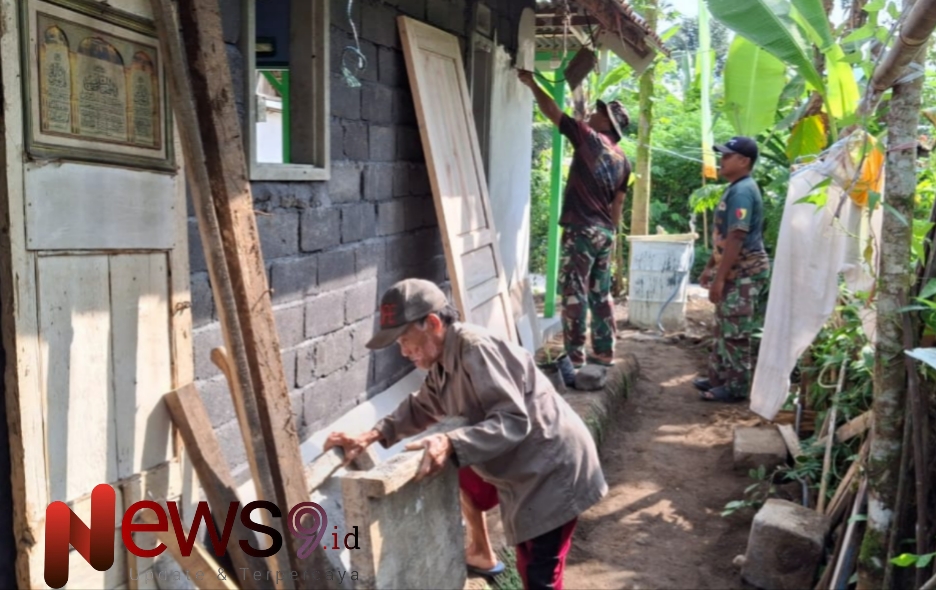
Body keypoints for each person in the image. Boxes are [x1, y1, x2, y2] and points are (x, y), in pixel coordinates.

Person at [325, 278, 607, 590]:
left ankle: (489, 555)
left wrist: (449, 440)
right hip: (529, 468)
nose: (404, 352)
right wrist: (372, 435)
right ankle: (482, 552)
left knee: (540, 574)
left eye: (405, 340)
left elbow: (512, 420)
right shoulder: (444, 359)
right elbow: (421, 406)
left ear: (433, 323)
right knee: (527, 560)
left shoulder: (475, 349)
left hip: (553, 468)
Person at [517, 69, 631, 369]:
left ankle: (575, 356)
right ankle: (604, 352)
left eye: (599, 112)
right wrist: (610, 234)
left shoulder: (589, 139)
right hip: (605, 232)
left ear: (608, 122)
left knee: (574, 292)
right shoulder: (624, 160)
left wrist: (532, 84)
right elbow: (618, 203)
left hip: (581, 229)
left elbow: (553, 112)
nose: (592, 113)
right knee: (600, 293)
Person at [694, 136, 771, 402]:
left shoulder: (742, 191)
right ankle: (718, 378)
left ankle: (736, 388)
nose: (722, 160)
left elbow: (737, 236)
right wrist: (710, 268)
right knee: (723, 327)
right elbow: (724, 238)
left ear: (744, 161)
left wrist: (719, 278)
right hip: (735, 270)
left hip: (745, 272)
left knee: (735, 331)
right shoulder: (736, 188)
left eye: (727, 156)